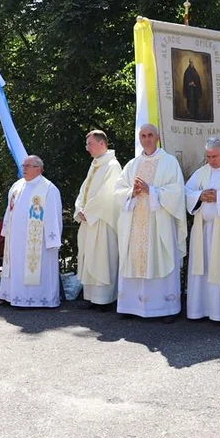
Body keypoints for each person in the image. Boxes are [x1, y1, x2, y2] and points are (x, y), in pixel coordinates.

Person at [114, 124, 186, 320]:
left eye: (150, 135)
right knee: (135, 259)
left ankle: (166, 309)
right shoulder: (132, 164)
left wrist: (151, 191)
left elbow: (177, 192)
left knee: (160, 257)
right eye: (143, 135)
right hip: (135, 223)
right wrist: (132, 192)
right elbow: (118, 191)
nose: (146, 139)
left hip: (158, 223)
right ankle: (132, 307)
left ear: (157, 137)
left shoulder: (169, 162)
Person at [184, 137, 220, 321]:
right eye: (208, 156)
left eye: (214, 156)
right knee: (202, 269)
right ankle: (199, 310)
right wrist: (200, 195)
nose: (211, 160)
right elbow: (186, 192)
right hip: (202, 229)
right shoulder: (201, 172)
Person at [0, 155, 63, 308]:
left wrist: (53, 238)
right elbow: (10, 210)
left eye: (28, 166)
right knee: (16, 267)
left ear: (38, 169)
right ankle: (13, 296)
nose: (24, 169)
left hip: (38, 242)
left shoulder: (48, 189)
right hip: (16, 239)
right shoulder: (17, 186)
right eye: (23, 166)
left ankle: (38, 300)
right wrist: (6, 229)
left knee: (34, 268)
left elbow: (53, 215)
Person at [75, 130, 123, 308]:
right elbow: (84, 190)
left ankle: (105, 299)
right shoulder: (95, 164)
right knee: (90, 258)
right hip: (90, 219)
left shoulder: (112, 165)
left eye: (90, 144)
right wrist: (79, 208)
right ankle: (92, 297)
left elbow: (107, 194)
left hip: (102, 220)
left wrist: (88, 211)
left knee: (102, 258)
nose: (87, 148)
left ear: (102, 144)